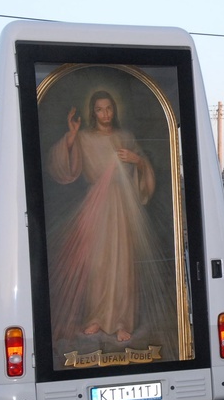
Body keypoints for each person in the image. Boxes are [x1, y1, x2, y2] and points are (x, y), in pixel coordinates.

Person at [47, 89, 168, 344]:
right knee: (97, 262)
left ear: (115, 109)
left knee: (122, 263)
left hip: (124, 206)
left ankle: (122, 321)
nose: (105, 114)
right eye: (100, 109)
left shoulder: (126, 137)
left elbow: (144, 171)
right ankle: (96, 317)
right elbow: (63, 166)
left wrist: (138, 161)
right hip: (97, 205)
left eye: (109, 108)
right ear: (93, 112)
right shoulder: (84, 137)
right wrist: (71, 135)